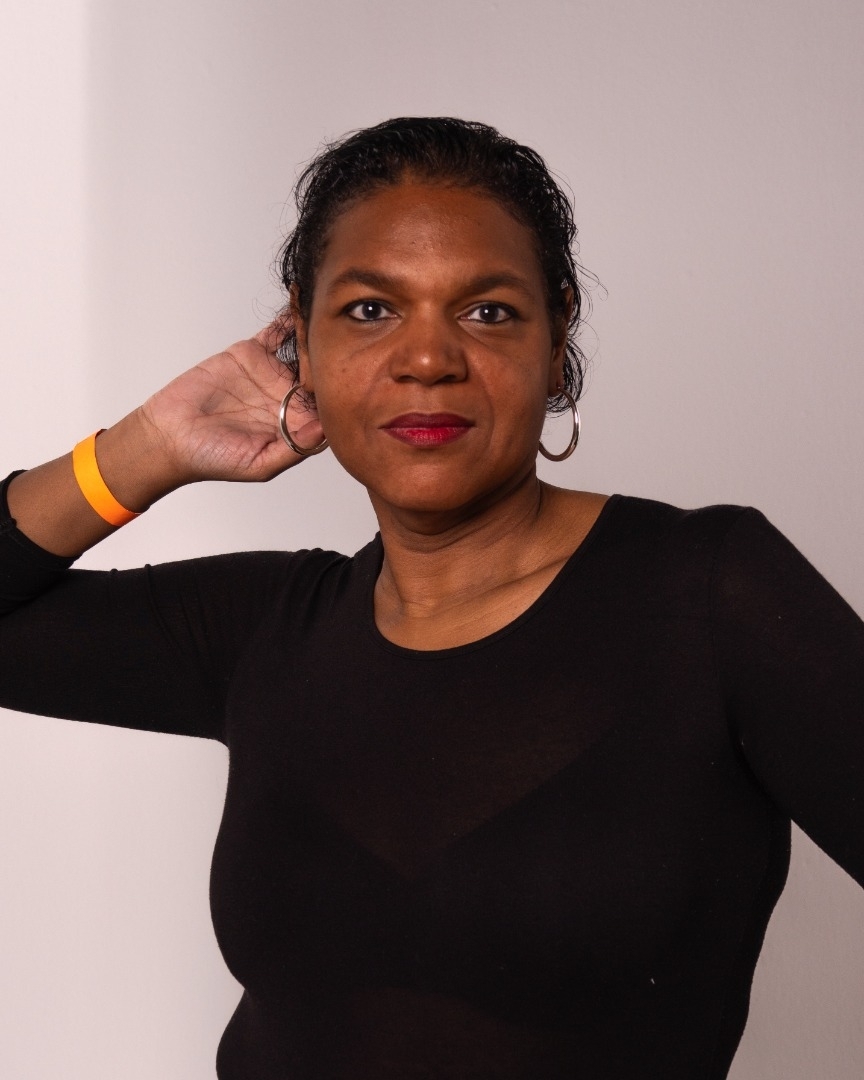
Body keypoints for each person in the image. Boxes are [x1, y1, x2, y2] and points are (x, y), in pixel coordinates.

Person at [0, 117, 861, 1080]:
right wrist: (149, 446)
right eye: (370, 310)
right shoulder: (262, 629)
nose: (426, 359)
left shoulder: (708, 596)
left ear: (557, 337)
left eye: (487, 312)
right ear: (301, 340)